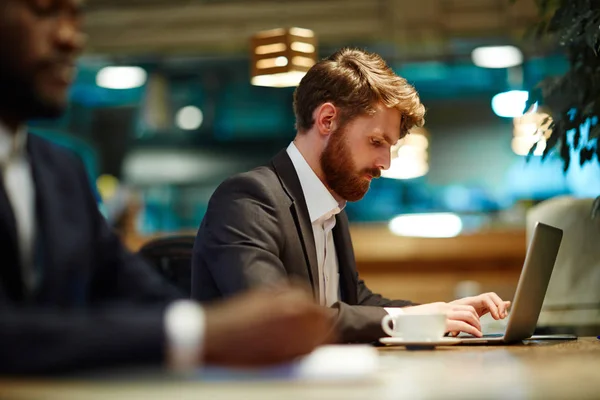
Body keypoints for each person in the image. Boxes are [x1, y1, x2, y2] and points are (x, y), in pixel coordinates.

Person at [0, 0, 332, 374]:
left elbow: (126, 284)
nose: (70, 37)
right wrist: (201, 331)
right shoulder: (250, 196)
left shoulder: (61, 171)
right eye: (44, 10)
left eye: (75, 16)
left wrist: (247, 323)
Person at [192, 48, 511, 342]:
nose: (385, 163)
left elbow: (355, 304)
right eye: (376, 142)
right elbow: (275, 317)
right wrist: (408, 319)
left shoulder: (331, 205)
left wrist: (444, 312)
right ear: (327, 120)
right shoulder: (247, 200)